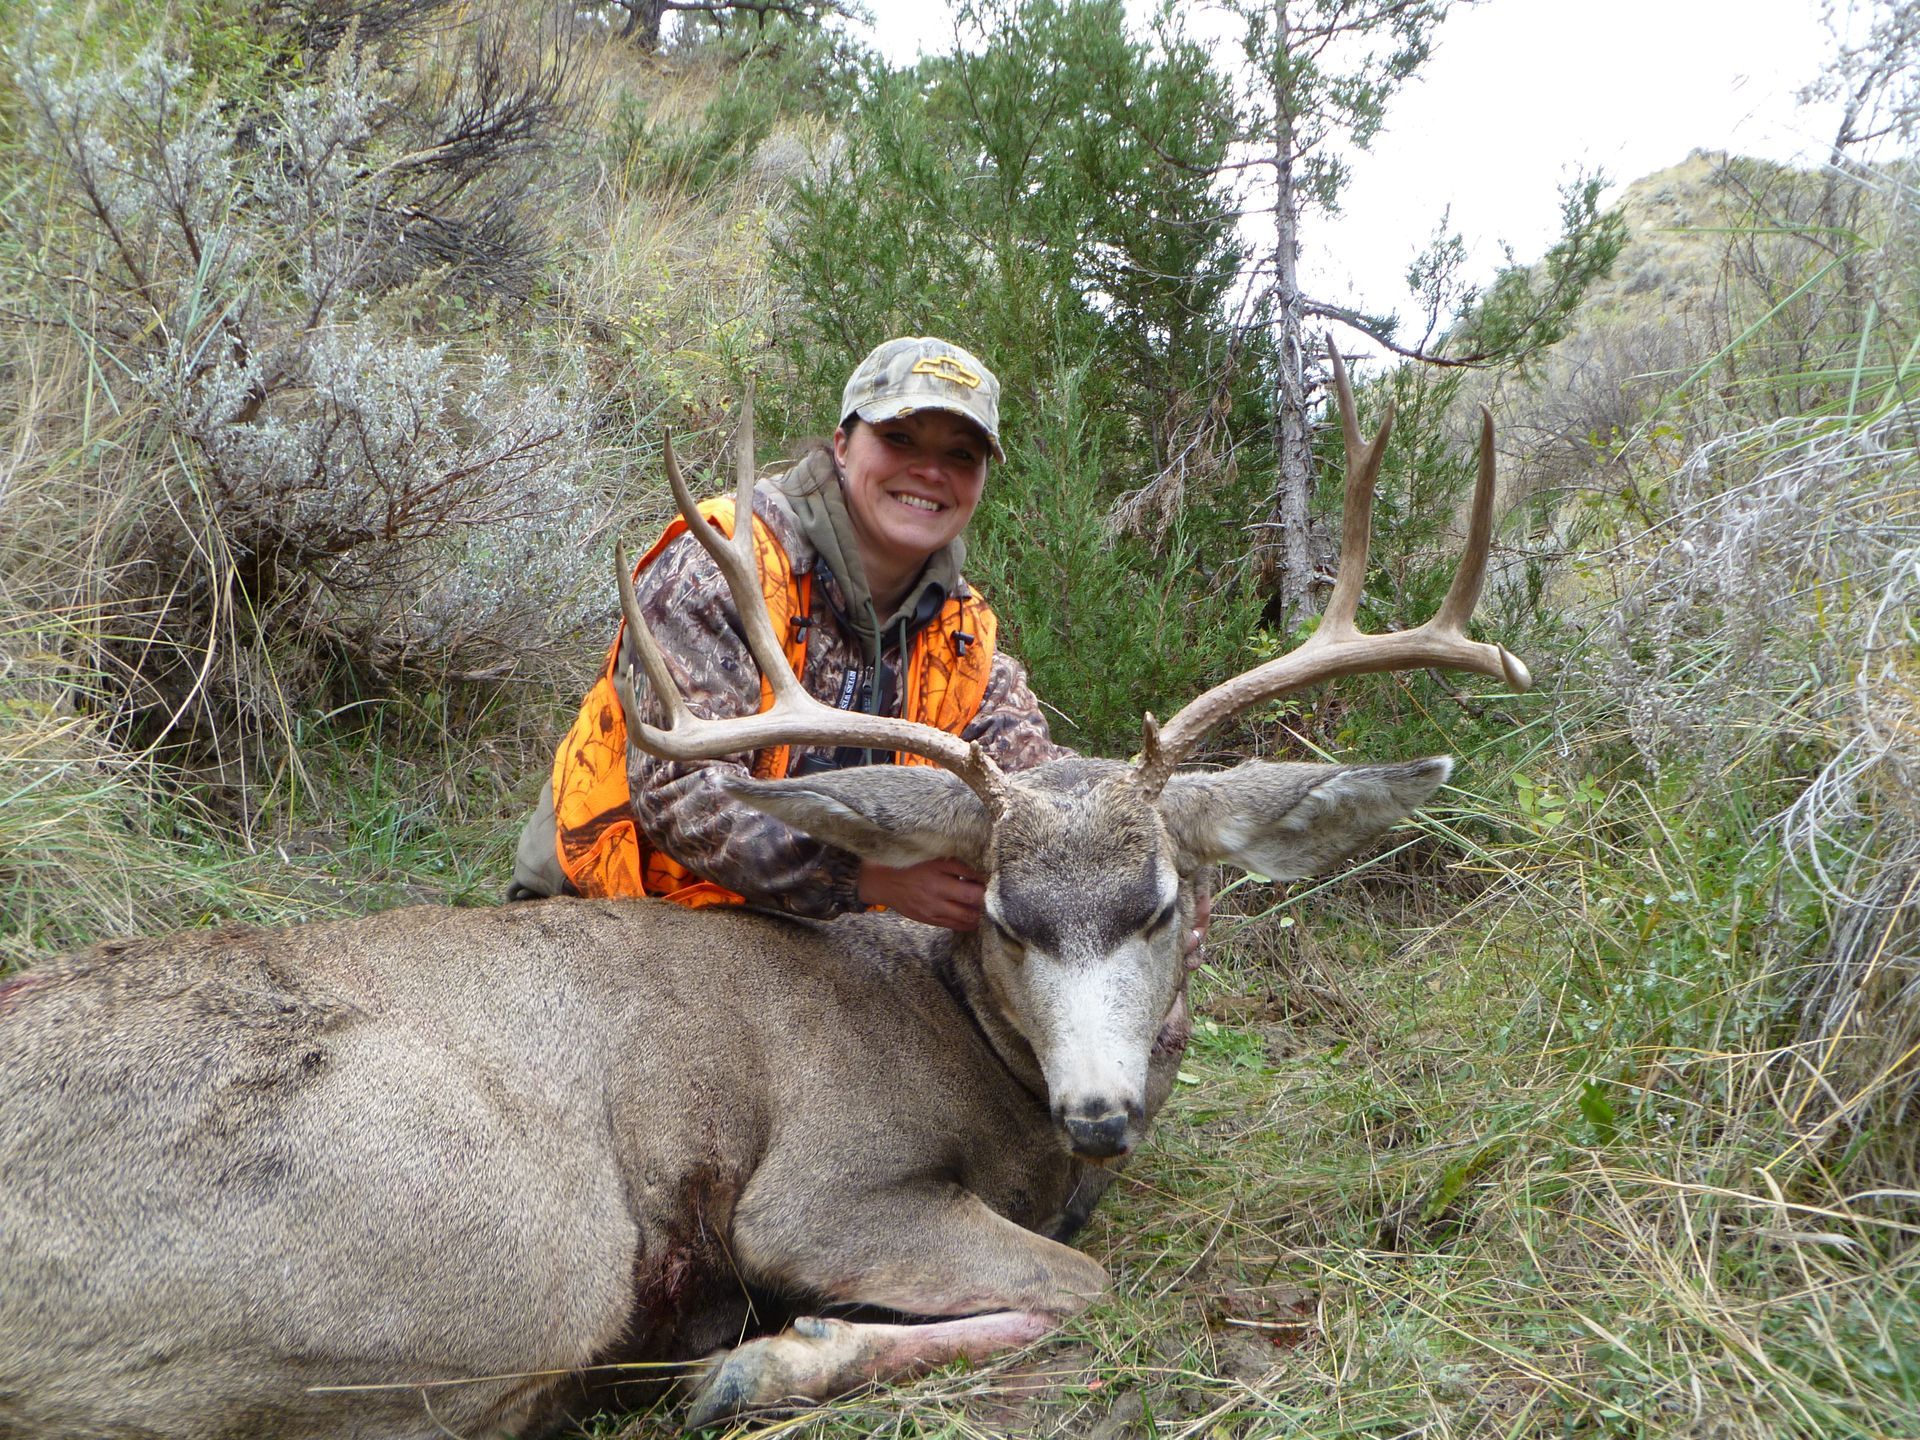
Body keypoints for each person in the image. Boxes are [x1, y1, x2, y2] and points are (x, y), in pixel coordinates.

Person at [507, 336, 1067, 929]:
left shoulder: (964, 635)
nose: (931, 472)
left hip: (810, 938)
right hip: (614, 914)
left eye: (961, 455)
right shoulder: (721, 566)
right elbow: (679, 792)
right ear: (843, 446)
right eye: (900, 439)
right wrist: (866, 877)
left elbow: (1038, 789)